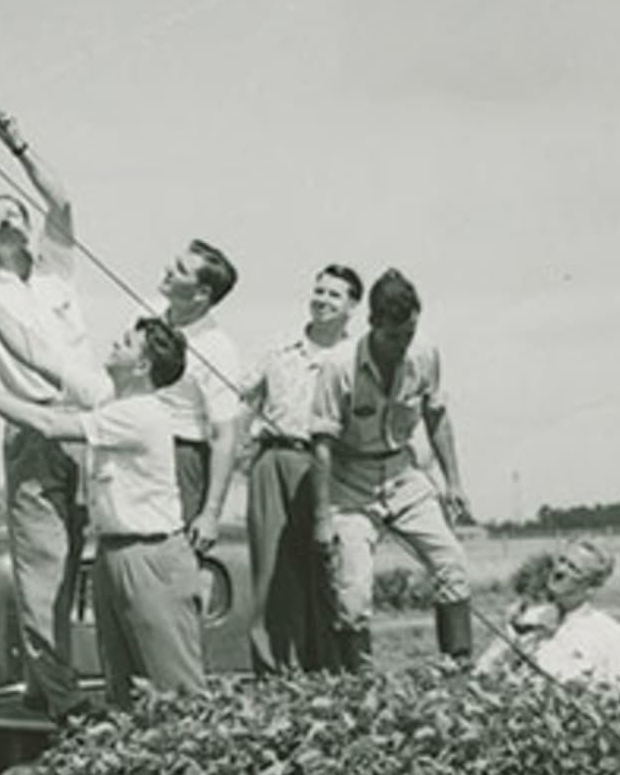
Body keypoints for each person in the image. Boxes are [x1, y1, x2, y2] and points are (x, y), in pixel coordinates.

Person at [0, 106, 108, 722]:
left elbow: (61, 199)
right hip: (34, 426)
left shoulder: (58, 269)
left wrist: (16, 144)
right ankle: (65, 703)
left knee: (79, 571)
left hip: (88, 428)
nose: (6, 218)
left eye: (14, 211)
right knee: (42, 571)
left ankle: (47, 685)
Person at [0, 317, 206, 708]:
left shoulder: (140, 413)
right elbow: (43, 358)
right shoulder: (111, 396)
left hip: (151, 557)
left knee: (174, 685)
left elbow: (49, 423)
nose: (115, 342)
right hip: (113, 553)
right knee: (124, 686)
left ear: (142, 366)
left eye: (126, 342)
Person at [310, 268, 477, 666]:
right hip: (350, 483)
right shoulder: (338, 365)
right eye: (393, 336)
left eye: (409, 334)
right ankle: (357, 686)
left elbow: (436, 416)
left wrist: (454, 482)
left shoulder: (425, 353)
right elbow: (322, 445)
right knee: (353, 596)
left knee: (451, 562)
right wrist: (321, 516)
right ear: (372, 324)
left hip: (403, 474)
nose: (402, 344)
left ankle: (458, 667)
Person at [236, 263, 361, 675]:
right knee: (271, 573)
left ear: (352, 306)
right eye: (319, 291)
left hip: (329, 466)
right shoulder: (279, 347)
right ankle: (272, 672)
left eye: (334, 295)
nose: (323, 300)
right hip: (274, 461)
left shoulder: (355, 357)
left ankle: (328, 671)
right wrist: (244, 447)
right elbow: (243, 399)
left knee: (328, 569)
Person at [156, 239, 245, 553]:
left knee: (169, 560)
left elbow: (224, 435)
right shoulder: (147, 312)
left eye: (180, 270)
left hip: (180, 459)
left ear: (202, 293)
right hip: (133, 447)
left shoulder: (218, 349)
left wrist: (210, 514)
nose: (168, 270)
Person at [478, 538, 620, 682]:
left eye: (573, 569)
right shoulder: (526, 620)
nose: (560, 571)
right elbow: (483, 671)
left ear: (592, 586)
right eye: (561, 561)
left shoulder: (611, 637)